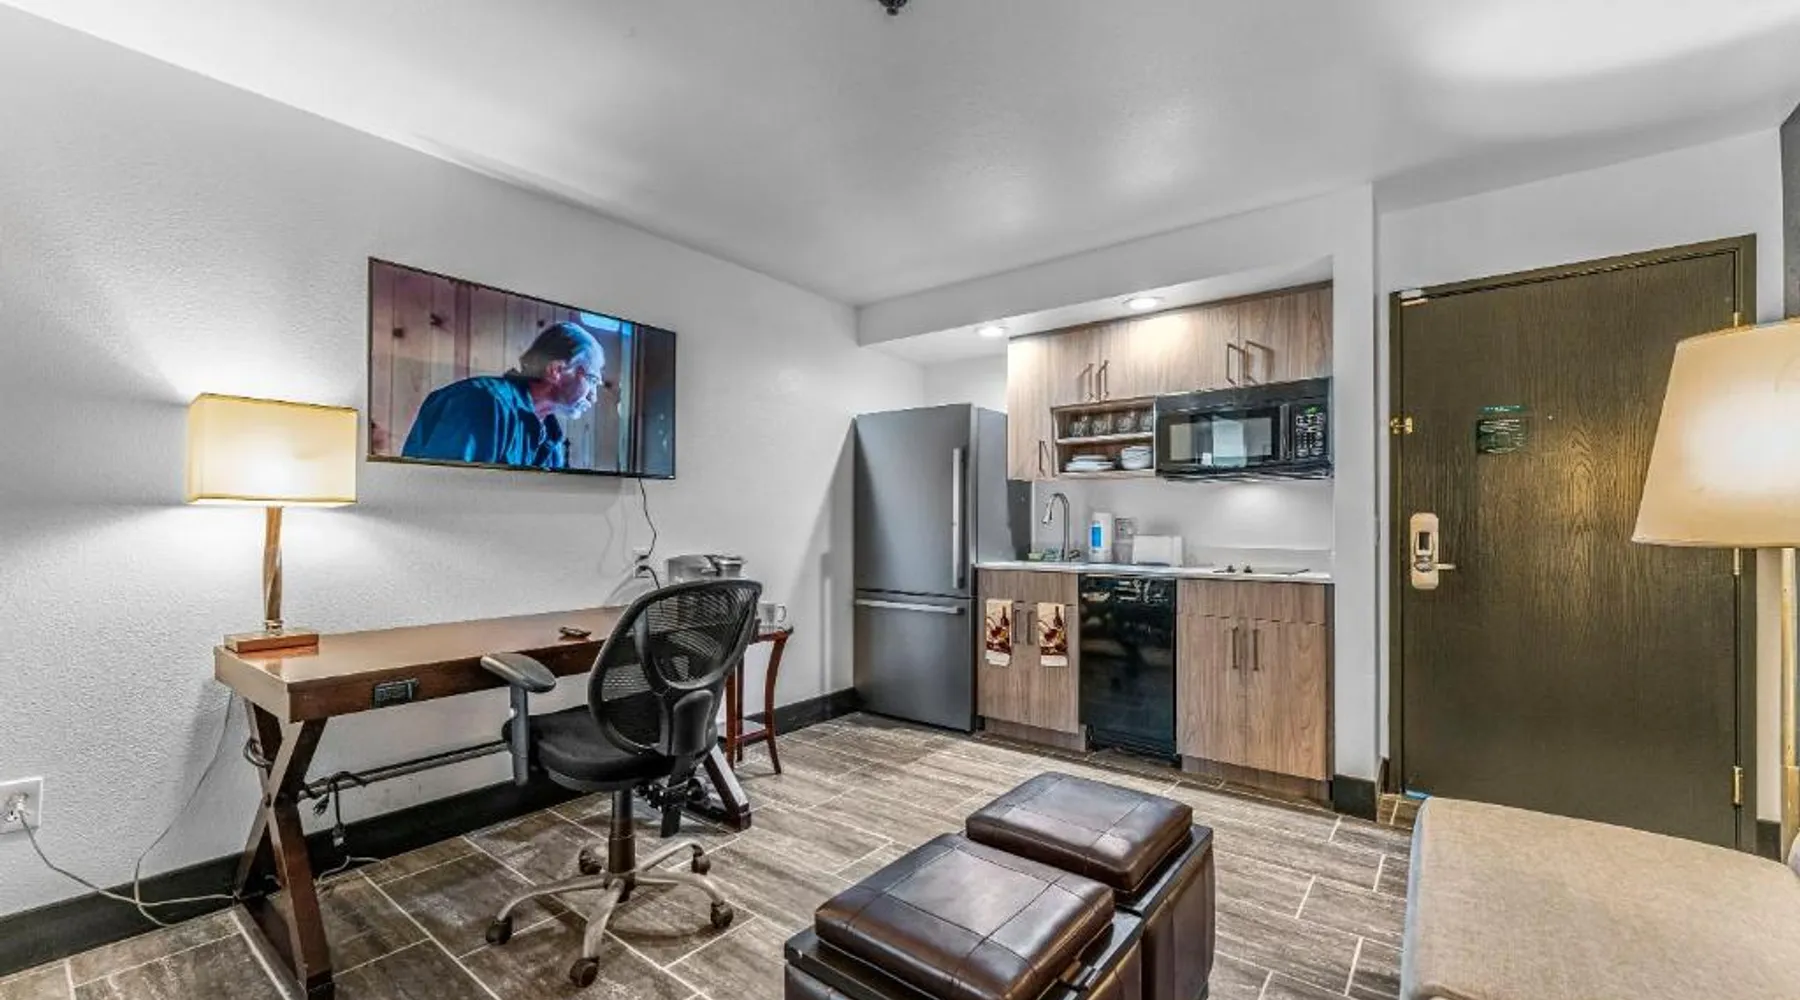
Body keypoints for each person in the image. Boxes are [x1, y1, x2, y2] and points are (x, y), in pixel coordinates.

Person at [402, 322, 603, 470]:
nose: (593, 397)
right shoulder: (481, 404)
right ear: (556, 370)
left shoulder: (551, 438)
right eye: (592, 379)